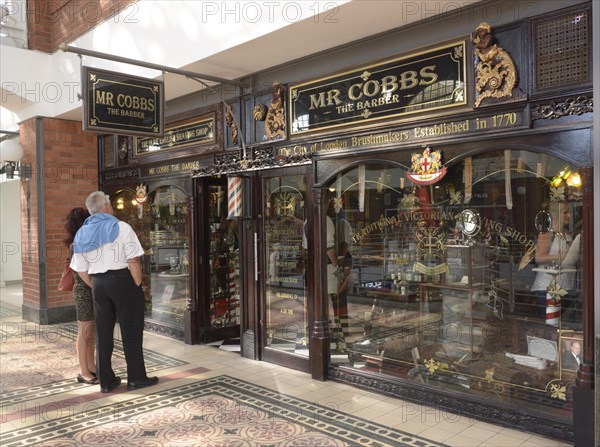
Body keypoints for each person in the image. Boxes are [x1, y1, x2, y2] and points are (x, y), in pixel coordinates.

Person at [71, 191, 158, 393]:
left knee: (103, 333)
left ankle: (106, 381)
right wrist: (137, 284)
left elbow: (79, 267)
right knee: (131, 330)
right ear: (106, 207)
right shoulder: (121, 227)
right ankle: (136, 378)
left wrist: (95, 284)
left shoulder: (82, 233)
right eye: (110, 204)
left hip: (99, 284)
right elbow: (133, 260)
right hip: (123, 281)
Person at [64, 207, 97, 385]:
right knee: (84, 332)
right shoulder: (78, 243)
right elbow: (81, 271)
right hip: (84, 291)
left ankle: (91, 366)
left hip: (89, 290)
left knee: (90, 331)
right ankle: (84, 372)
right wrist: (95, 286)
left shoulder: (81, 240)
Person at [531, 202, 578, 320]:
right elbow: (539, 257)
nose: (569, 216)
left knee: (560, 323)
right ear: (556, 215)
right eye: (565, 212)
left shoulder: (567, 235)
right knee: (551, 323)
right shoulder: (546, 234)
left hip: (564, 286)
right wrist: (559, 256)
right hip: (547, 287)